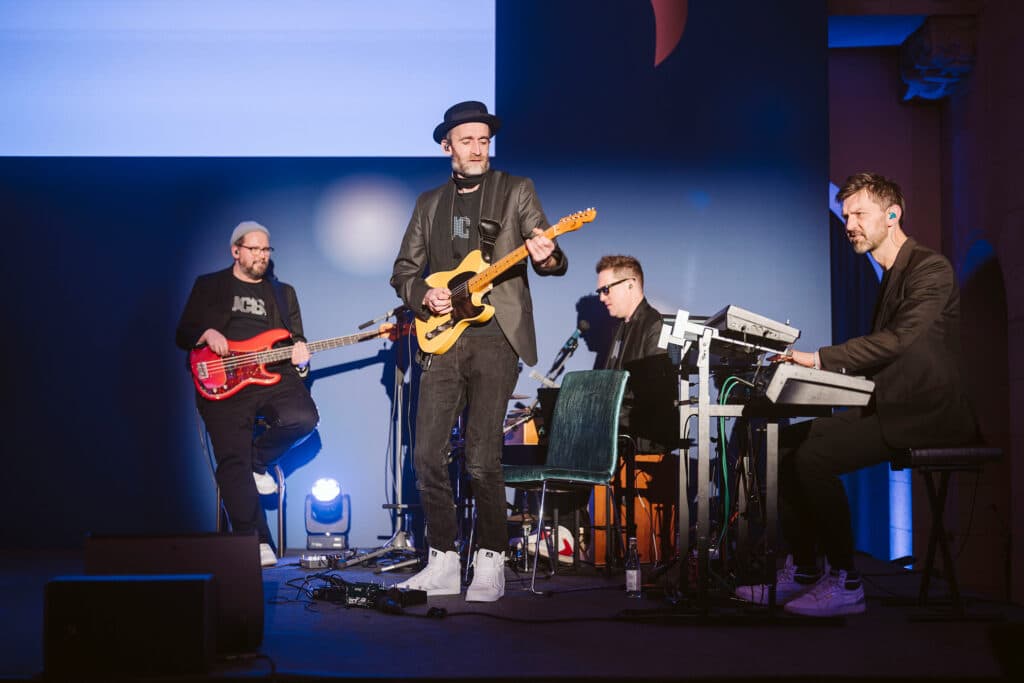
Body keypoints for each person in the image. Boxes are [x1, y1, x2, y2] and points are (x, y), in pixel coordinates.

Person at [735, 172, 977, 616]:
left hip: (924, 413)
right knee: (781, 448)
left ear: (892, 215)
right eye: (846, 216)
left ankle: (846, 580)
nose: (849, 225)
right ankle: (805, 570)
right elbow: (885, 355)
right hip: (890, 405)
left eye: (859, 215)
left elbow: (898, 342)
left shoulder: (930, 269)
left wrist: (816, 360)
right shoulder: (891, 274)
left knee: (813, 458)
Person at [390, 101, 567, 601]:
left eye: (483, 140)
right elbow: (403, 271)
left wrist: (547, 254)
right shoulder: (429, 204)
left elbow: (550, 255)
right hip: (443, 338)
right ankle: (443, 560)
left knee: (482, 457)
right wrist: (424, 294)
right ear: (446, 146)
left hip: (496, 337)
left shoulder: (515, 190)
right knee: (426, 454)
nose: (477, 148)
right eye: (466, 140)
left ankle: (491, 558)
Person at [176, 221, 319, 568]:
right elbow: (184, 333)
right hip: (223, 379)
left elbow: (296, 339)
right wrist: (206, 333)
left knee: (304, 419)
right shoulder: (210, 285)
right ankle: (253, 539)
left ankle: (258, 460)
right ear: (236, 251)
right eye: (254, 249)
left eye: (266, 249)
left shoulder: (283, 293)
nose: (262, 256)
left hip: (274, 376)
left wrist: (301, 359)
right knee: (231, 458)